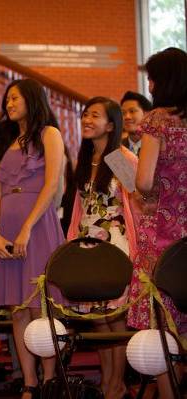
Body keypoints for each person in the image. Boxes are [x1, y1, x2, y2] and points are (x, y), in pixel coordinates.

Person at [0, 78, 65, 399]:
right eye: (7, 99)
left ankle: (49, 379)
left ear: (32, 99)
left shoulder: (50, 134)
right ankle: (29, 381)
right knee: (17, 310)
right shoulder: (7, 139)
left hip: (38, 224)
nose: (9, 103)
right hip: (5, 227)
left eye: (15, 98)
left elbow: (51, 186)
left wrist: (28, 227)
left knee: (39, 306)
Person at [67, 97, 139, 399]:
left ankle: (115, 384)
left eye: (94, 115)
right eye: (85, 114)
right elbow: (78, 209)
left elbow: (137, 205)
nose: (87, 119)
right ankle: (110, 381)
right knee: (97, 319)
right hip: (87, 244)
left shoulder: (121, 158)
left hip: (116, 245)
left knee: (115, 318)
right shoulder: (83, 160)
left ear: (111, 124)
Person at [127, 47, 187, 399]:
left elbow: (145, 181)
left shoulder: (157, 120)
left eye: (152, 77)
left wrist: (141, 193)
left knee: (161, 318)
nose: (148, 84)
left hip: (162, 232)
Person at [120, 91, 153, 156]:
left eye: (132, 111)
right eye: (123, 113)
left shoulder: (156, 147)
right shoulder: (117, 148)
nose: (127, 117)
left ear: (146, 115)